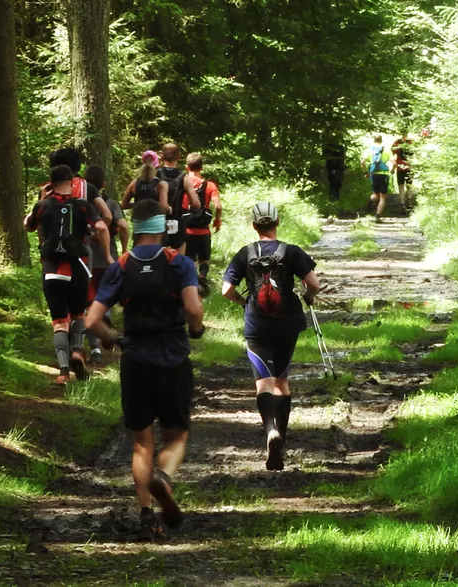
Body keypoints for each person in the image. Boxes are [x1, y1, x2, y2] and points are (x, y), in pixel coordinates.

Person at [86, 199, 205, 537]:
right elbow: (193, 309)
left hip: (136, 360)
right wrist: (195, 330)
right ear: (161, 227)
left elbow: (92, 319)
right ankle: (163, 478)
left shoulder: (120, 266)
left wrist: (114, 339)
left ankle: (146, 516)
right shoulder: (179, 263)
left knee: (141, 443)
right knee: (177, 433)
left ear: (136, 228)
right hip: (173, 358)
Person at [221, 202, 321, 471]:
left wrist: (244, 303)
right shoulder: (291, 251)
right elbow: (314, 283)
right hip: (287, 322)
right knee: (282, 381)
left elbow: (225, 290)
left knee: (263, 382)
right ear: (277, 223)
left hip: (257, 324)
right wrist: (308, 297)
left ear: (254, 226)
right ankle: (282, 440)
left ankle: (269, 431)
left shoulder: (245, 253)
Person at [25, 165, 105, 385]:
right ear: (71, 182)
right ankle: (77, 351)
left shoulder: (42, 205)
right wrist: (106, 253)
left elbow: (28, 226)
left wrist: (42, 199)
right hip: (78, 268)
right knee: (78, 314)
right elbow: (102, 227)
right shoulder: (82, 206)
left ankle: (62, 373)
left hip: (52, 271)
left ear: (51, 183)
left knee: (60, 323)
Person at [84, 164, 129, 364]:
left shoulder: (79, 203)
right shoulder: (110, 204)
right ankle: (107, 314)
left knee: (89, 304)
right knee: (107, 297)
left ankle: (95, 349)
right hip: (108, 258)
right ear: (103, 184)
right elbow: (123, 226)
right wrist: (125, 249)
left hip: (86, 261)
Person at [46, 147, 113, 261]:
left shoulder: (47, 189)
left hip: (52, 249)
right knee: (83, 277)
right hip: (81, 248)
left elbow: (38, 221)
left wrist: (42, 243)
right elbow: (107, 215)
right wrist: (93, 234)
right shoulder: (88, 187)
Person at [182, 153, 222, 295]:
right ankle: (202, 283)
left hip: (187, 230)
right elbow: (218, 206)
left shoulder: (183, 182)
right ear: (202, 167)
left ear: (187, 167)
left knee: (190, 260)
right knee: (204, 260)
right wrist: (218, 221)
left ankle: (192, 288)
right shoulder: (210, 185)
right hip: (204, 231)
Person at [155, 143, 201, 254]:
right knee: (178, 259)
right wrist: (192, 210)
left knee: (158, 256)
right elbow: (196, 204)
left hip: (157, 222)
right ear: (178, 157)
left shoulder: (155, 175)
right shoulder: (184, 177)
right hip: (177, 221)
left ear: (162, 157)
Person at [362, 135, 391, 220]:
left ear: (373, 140)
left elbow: (362, 162)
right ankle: (377, 216)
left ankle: (370, 202)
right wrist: (392, 170)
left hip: (373, 174)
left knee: (376, 195)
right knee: (382, 196)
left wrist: (366, 172)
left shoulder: (368, 150)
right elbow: (395, 163)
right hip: (384, 174)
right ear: (381, 140)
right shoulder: (386, 150)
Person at [391, 132, 415, 208]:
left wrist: (393, 168)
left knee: (401, 186)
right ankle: (410, 201)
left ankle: (402, 203)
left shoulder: (396, 143)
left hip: (400, 168)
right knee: (409, 185)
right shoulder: (411, 143)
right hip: (409, 167)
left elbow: (393, 155)